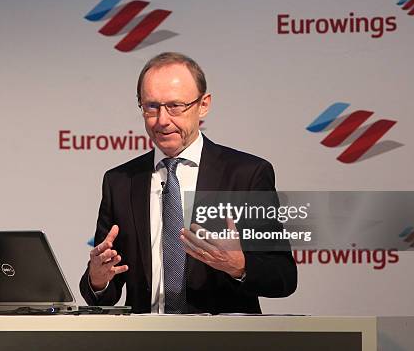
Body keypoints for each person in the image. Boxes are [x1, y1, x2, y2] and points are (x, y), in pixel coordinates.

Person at [79, 52, 297, 314]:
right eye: (151, 107)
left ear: (203, 105)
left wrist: (238, 265)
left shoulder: (246, 175)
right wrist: (98, 278)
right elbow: (105, 292)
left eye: (175, 106)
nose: (162, 120)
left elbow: (284, 277)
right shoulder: (120, 182)